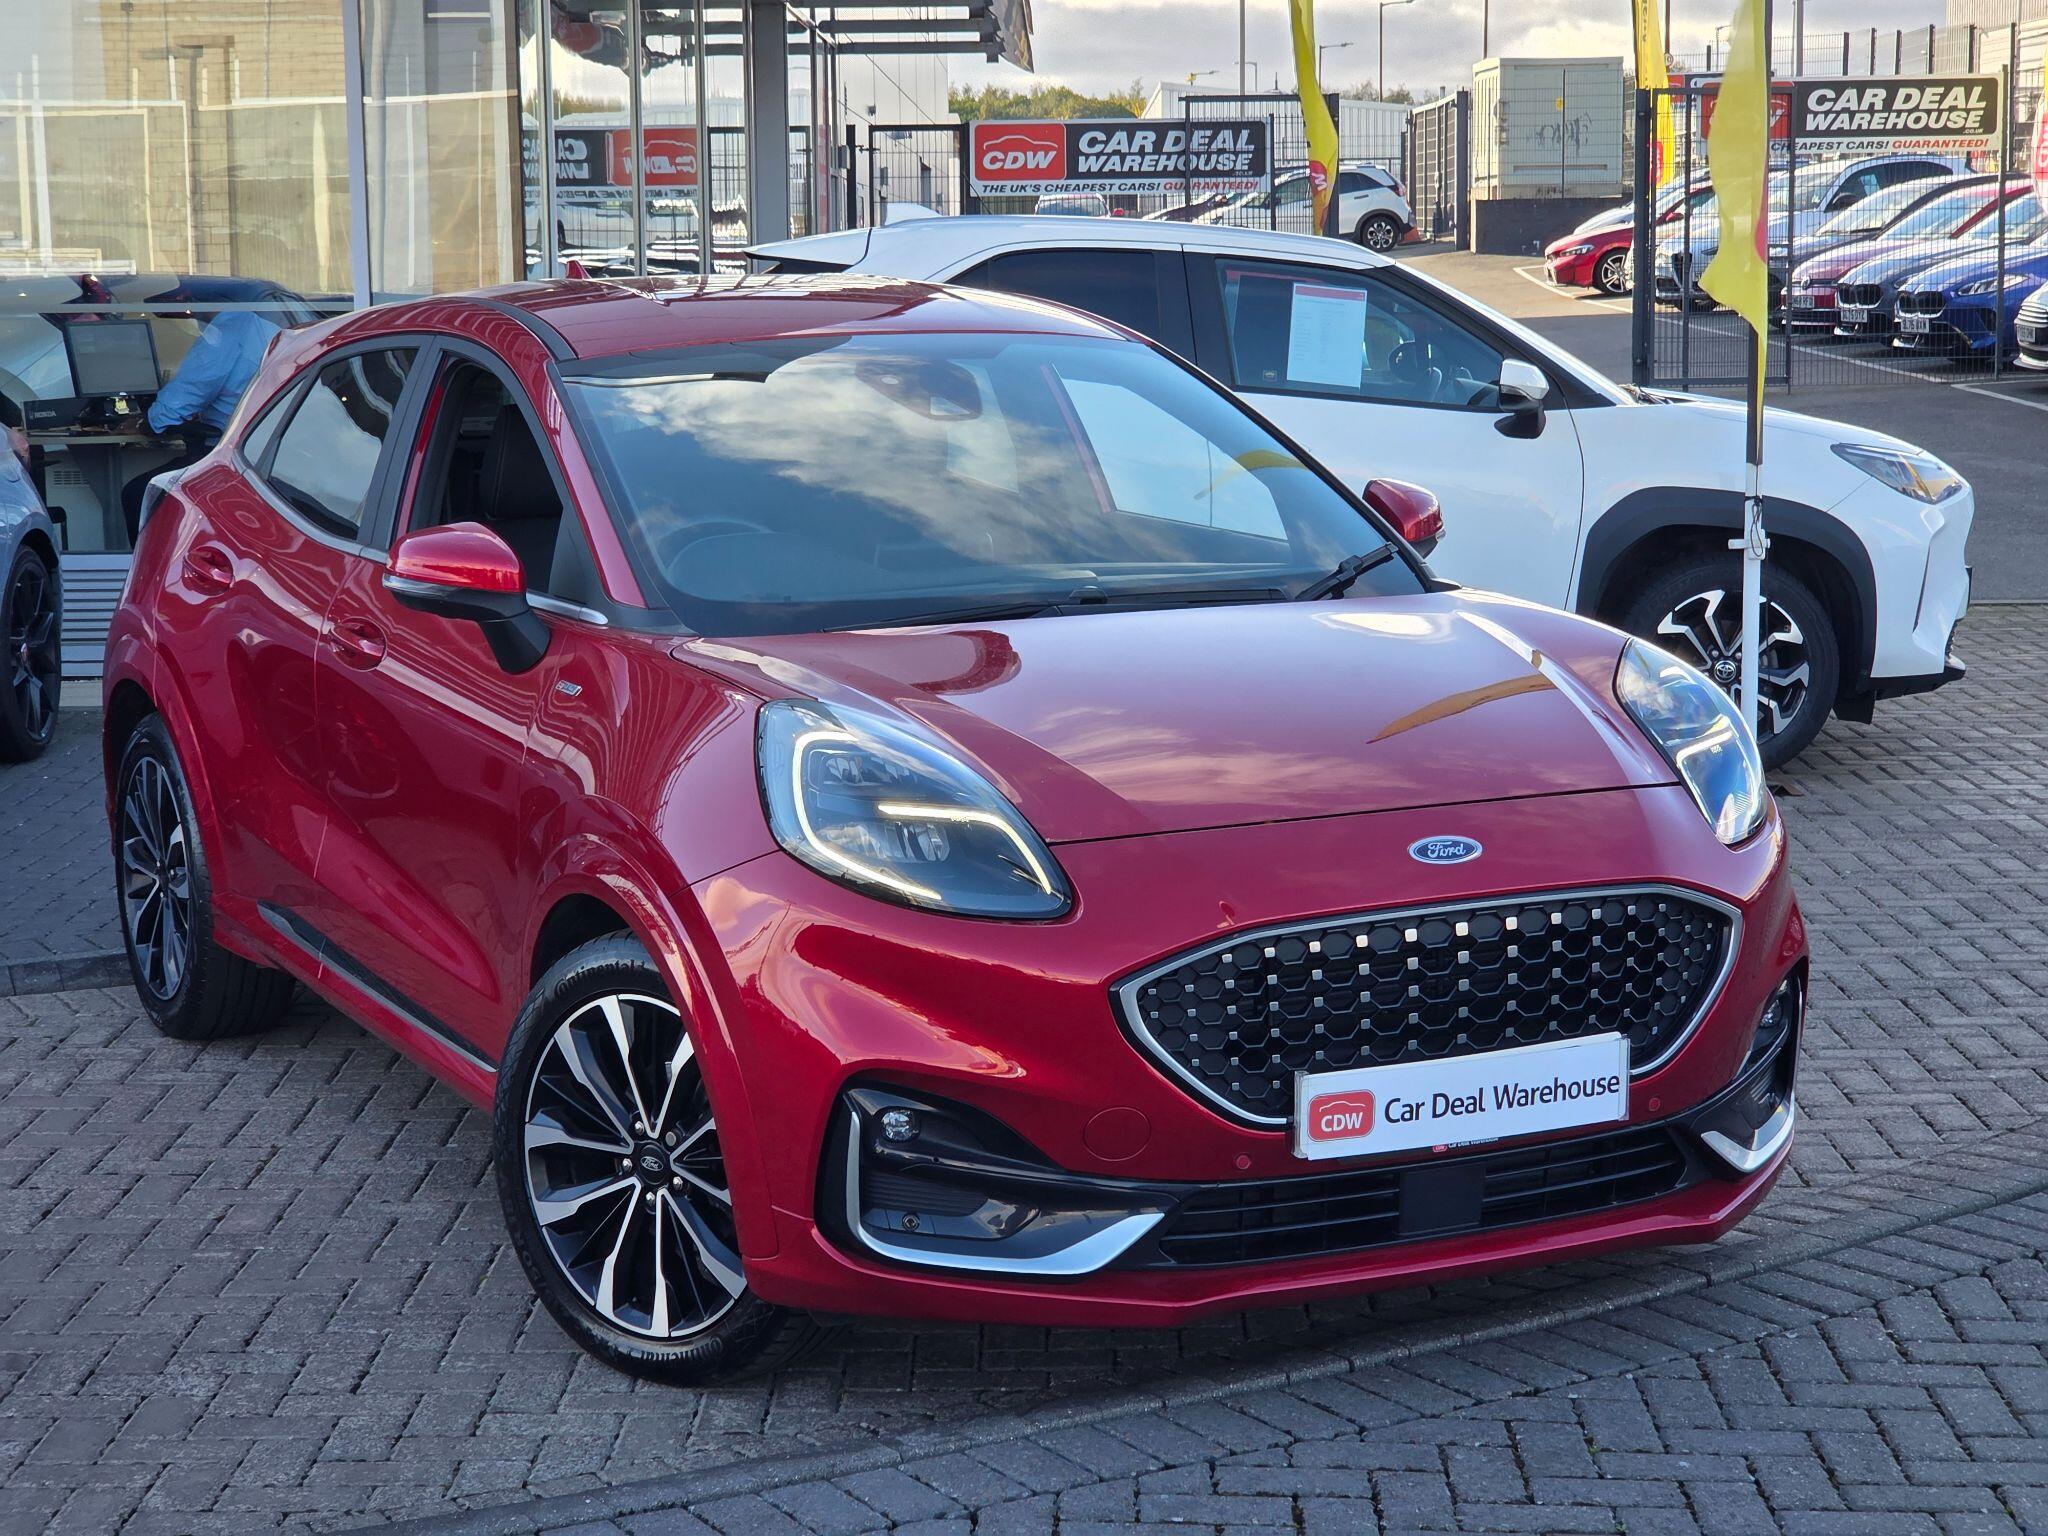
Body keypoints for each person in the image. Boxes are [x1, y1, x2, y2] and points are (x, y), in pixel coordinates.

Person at [120, 308, 280, 543]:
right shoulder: (264, 328)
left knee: (138, 494)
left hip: (227, 456)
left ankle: (153, 565)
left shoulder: (227, 331)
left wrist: (145, 423)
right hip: (263, 453)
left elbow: (188, 393)